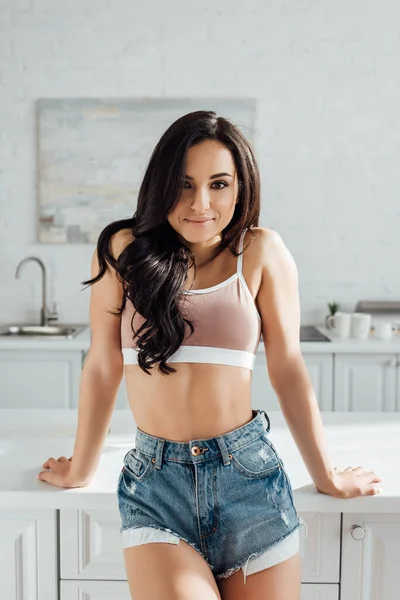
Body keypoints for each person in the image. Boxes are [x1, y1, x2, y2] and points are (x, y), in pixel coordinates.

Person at [38, 110, 383, 600]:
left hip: (250, 482)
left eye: (218, 184)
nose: (201, 203)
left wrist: (325, 475)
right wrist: (80, 468)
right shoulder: (124, 250)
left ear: (240, 187)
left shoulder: (261, 252)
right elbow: (101, 365)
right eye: (183, 184)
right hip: (157, 486)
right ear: (160, 186)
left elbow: (287, 369)